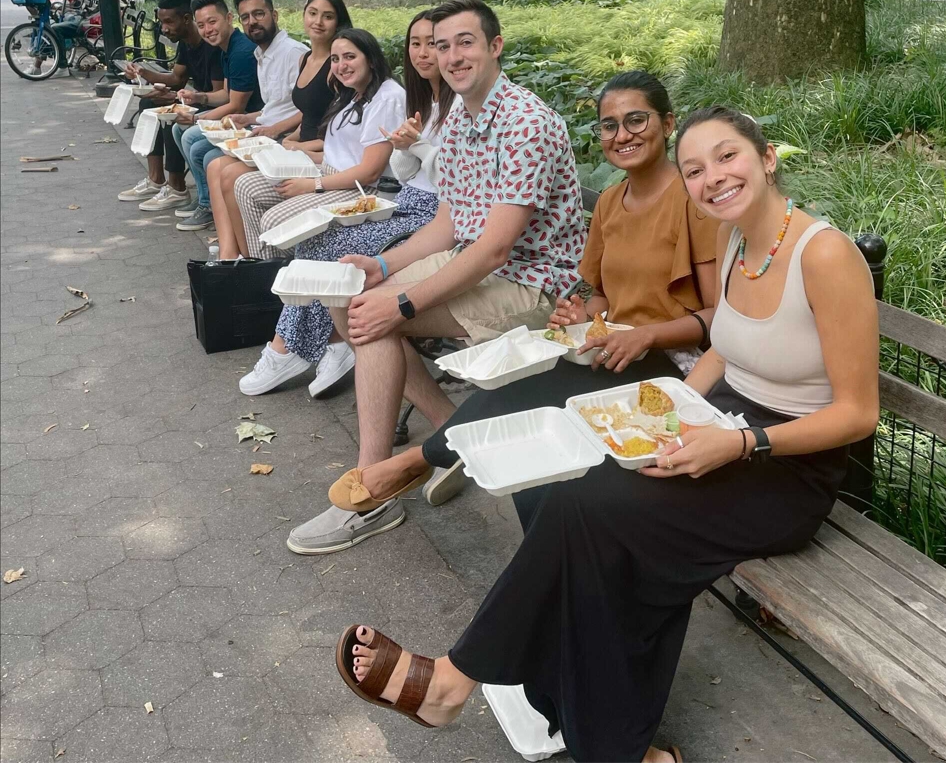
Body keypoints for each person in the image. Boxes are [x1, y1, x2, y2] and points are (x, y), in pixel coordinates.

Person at [333, 105, 880, 763]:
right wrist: (668, 405)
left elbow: (858, 415)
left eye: (728, 157)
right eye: (696, 169)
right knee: (573, 493)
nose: (713, 178)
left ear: (766, 159)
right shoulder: (736, 240)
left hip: (787, 467)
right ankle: (608, 744)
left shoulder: (825, 255)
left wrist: (738, 444)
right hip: (719, 425)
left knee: (600, 517)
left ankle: (454, 681)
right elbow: (726, 350)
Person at [333, 70, 721, 517]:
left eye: (636, 120)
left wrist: (644, 337)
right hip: (614, 349)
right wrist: (582, 317)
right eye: (609, 125)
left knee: (525, 400)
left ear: (668, 124)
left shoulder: (693, 203)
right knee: (515, 391)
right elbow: (599, 295)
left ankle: (411, 462)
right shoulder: (613, 202)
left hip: (673, 361)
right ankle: (435, 462)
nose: (622, 135)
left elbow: (718, 317)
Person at [284, 0, 587, 555]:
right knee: (350, 293)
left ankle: (372, 492)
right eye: (441, 45)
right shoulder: (459, 118)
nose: (451, 56)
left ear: (495, 46)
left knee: (375, 320)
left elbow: (495, 249)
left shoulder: (524, 123)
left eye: (465, 42)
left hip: (536, 283)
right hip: (477, 262)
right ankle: (454, 432)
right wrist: (379, 267)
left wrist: (402, 303)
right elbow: (451, 220)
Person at [239, 11, 457, 398]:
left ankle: (295, 347)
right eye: (417, 44)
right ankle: (324, 344)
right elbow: (406, 172)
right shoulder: (429, 100)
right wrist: (407, 147)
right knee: (314, 243)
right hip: (408, 201)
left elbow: (455, 182)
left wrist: (417, 146)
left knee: (331, 247)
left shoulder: (455, 103)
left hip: (433, 214)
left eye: (436, 44)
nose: (426, 54)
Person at [217, 0, 356, 259]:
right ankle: (247, 259)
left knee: (235, 178)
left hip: (318, 154)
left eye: (327, 16)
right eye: (313, 14)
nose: (318, 22)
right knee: (226, 172)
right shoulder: (306, 59)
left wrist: (295, 144)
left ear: (338, 22)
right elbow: (306, 112)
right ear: (304, 16)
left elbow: (339, 129)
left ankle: (257, 260)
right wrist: (291, 137)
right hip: (297, 147)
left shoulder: (338, 66)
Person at [205, 0, 321, 255]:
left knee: (230, 175)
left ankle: (250, 259)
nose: (252, 22)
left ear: (274, 15)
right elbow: (274, 106)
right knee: (214, 166)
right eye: (245, 17)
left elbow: (307, 107)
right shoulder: (261, 54)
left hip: (287, 138)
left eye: (258, 14)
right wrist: (247, 117)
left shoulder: (294, 53)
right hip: (267, 132)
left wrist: (275, 130)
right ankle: (229, 253)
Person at [118, 0, 225, 212]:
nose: (164, 28)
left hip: (216, 103)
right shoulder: (187, 42)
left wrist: (177, 98)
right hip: (197, 97)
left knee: (171, 116)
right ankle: (156, 178)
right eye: (161, 22)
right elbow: (177, 79)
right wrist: (142, 72)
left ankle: (177, 188)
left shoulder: (211, 45)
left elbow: (219, 94)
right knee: (148, 104)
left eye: (168, 22)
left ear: (186, 19)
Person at [173, 0, 261, 232]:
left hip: (253, 121)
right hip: (239, 118)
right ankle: (206, 199)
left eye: (212, 22)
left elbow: (236, 106)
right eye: (201, 25)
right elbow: (224, 94)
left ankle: (209, 205)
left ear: (229, 18)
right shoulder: (225, 48)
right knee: (179, 129)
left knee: (194, 139)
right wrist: (199, 97)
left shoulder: (241, 52)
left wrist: (195, 118)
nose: (207, 30)